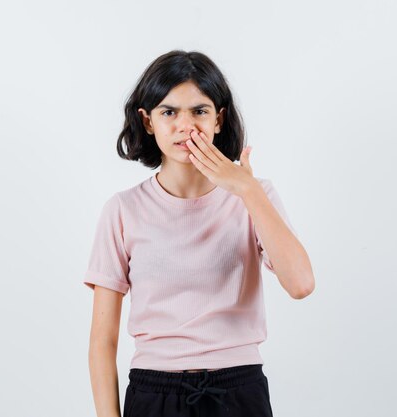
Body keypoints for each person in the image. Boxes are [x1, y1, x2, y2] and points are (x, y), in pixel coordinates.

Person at [83, 50, 315, 417]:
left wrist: (248, 191)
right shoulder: (123, 210)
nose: (185, 125)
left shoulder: (256, 196)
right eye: (169, 111)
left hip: (239, 390)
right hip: (153, 392)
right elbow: (102, 341)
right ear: (147, 121)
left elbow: (301, 284)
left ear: (219, 119)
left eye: (200, 111)